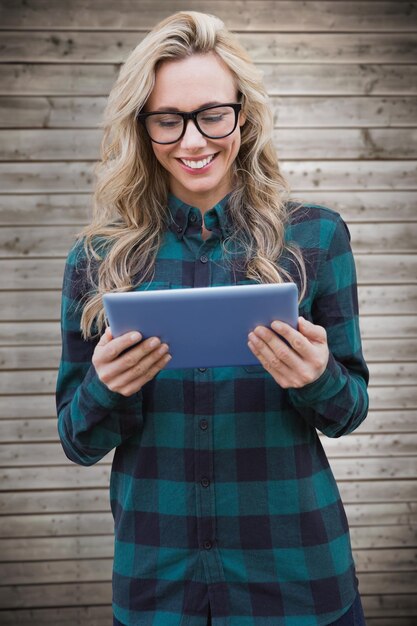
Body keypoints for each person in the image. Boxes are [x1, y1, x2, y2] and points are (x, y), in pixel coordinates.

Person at [56, 11, 369, 626]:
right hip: (158, 585)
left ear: (242, 115)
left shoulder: (316, 238)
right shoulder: (96, 260)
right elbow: (77, 440)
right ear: (142, 128)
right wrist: (104, 389)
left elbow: (349, 411)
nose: (193, 141)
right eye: (168, 120)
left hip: (297, 578)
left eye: (212, 115)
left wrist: (317, 378)